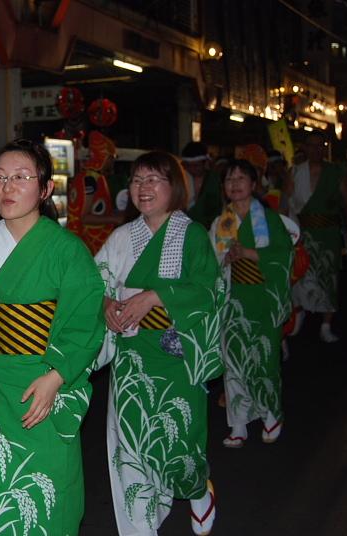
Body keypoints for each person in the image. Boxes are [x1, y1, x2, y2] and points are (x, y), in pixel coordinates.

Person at [0, 139, 105, 535]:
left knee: (49, 495)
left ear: (44, 189)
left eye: (21, 177)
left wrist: (57, 376)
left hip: (46, 384)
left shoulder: (68, 251)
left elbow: (84, 319)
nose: (7, 187)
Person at [95, 151, 223, 536]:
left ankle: (197, 488)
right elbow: (95, 280)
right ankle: (140, 525)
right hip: (132, 356)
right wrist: (105, 305)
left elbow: (208, 290)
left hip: (176, 354)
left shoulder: (193, 234)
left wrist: (153, 296)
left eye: (154, 180)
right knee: (130, 444)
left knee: (178, 442)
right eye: (136, 180)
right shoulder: (121, 237)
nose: (143, 188)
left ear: (175, 187)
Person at [210, 160, 293, 447]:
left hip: (263, 298)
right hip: (234, 300)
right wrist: (226, 260)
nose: (234, 183)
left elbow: (284, 256)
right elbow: (210, 265)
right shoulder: (220, 224)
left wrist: (248, 253)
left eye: (241, 178)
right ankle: (239, 423)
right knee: (233, 361)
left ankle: (271, 415)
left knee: (264, 357)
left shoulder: (270, 219)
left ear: (254, 184)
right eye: (229, 179)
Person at [287, 132, 347, 342]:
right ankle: (299, 313)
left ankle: (326, 324)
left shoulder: (336, 171)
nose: (316, 149)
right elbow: (285, 201)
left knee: (329, 275)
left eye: (320, 146)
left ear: (324, 148)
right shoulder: (295, 172)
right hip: (303, 231)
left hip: (328, 233)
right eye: (311, 145)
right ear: (305, 148)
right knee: (300, 272)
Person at [182, 141, 223, 230]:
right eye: (189, 166)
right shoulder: (183, 179)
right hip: (187, 228)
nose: (192, 169)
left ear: (205, 163)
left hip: (212, 229)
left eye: (196, 166)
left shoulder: (215, 180)